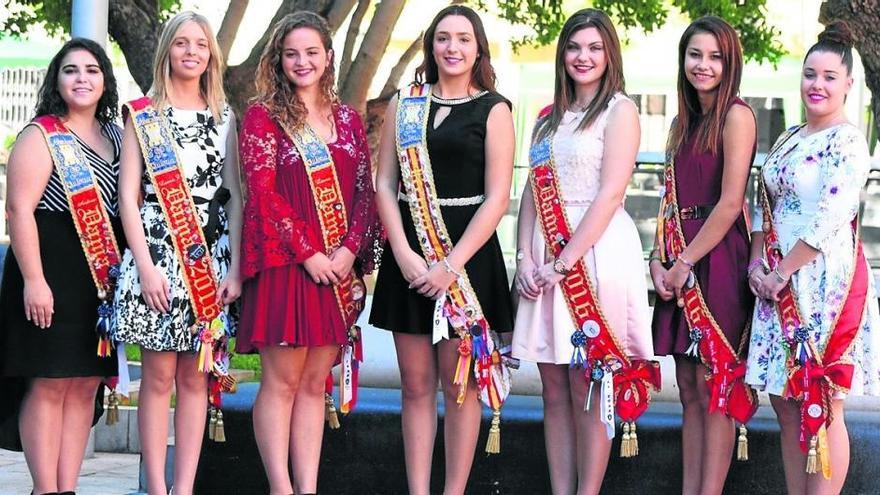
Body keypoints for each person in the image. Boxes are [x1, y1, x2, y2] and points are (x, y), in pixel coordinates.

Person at [369, 5, 514, 494]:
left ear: (478, 48)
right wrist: (406, 254)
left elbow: (498, 198)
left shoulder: (494, 108)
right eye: (443, 38)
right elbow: (384, 184)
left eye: (464, 39)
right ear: (431, 45)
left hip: (467, 261)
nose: (453, 48)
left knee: (460, 386)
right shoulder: (404, 104)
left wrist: (451, 265)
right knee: (414, 386)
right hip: (408, 254)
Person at [511, 9, 657, 495]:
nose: (583, 56)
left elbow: (611, 193)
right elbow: (533, 190)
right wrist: (525, 259)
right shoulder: (547, 118)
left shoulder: (621, 111)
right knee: (552, 387)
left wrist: (561, 263)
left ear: (609, 54)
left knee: (589, 384)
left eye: (594, 47)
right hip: (544, 255)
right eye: (575, 47)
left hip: (592, 258)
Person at [235, 11, 380, 495]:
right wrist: (309, 253)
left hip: (335, 268)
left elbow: (365, 191)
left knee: (316, 383)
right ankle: (281, 487)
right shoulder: (263, 116)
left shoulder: (347, 119)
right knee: (282, 381)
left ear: (328, 57)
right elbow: (262, 191)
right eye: (292, 53)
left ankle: (308, 487)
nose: (302, 62)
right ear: (279, 59)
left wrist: (348, 250)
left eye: (311, 52)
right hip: (287, 266)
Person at [745, 21, 880, 495]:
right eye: (809, 74)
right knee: (784, 400)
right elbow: (764, 202)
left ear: (847, 84)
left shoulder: (847, 142)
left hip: (820, 282)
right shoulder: (788, 137)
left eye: (828, 76)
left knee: (821, 398)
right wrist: (756, 264)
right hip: (774, 280)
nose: (816, 85)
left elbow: (829, 216)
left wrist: (781, 272)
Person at [111, 11, 242, 495]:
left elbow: (234, 193)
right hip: (158, 257)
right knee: (159, 377)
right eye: (182, 43)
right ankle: (157, 487)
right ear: (167, 50)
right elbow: (128, 195)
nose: (192, 52)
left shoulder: (225, 116)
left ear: (212, 54)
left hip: (210, 260)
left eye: (201, 44)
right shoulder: (142, 114)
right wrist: (144, 267)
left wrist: (237, 266)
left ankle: (184, 487)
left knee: (197, 378)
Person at [0, 38, 123, 495]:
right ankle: (44, 488)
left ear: (105, 80)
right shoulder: (40, 134)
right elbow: (19, 211)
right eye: (71, 70)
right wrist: (34, 280)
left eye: (92, 70)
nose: (82, 79)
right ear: (57, 79)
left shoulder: (116, 135)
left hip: (98, 278)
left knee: (86, 384)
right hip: (49, 272)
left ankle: (67, 487)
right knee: (49, 382)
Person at [649, 16, 758, 495]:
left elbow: (732, 202)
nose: (704, 65)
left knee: (716, 389)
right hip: (678, 254)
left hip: (715, 260)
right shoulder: (680, 122)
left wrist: (685, 263)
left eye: (715, 56)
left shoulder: (737, 116)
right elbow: (668, 199)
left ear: (729, 62)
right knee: (690, 390)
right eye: (696, 54)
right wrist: (657, 258)